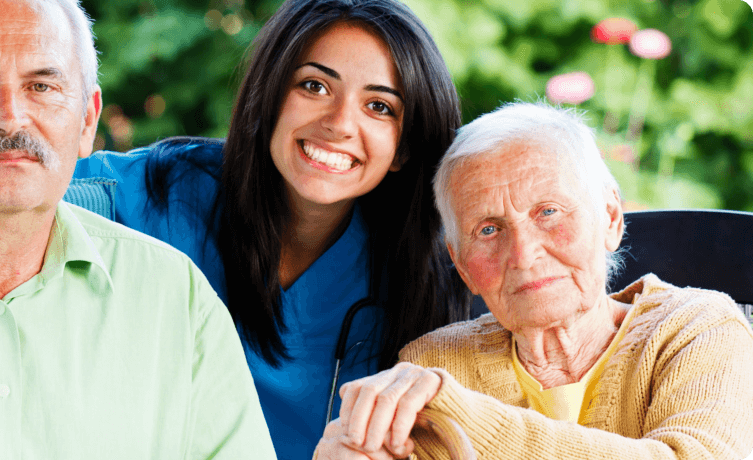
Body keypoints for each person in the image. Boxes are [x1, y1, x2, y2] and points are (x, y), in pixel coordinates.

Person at [0, 0, 473, 457]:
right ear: (272, 93)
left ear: (408, 142)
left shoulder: (428, 273)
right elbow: (7, 176)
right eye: (314, 86)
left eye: (380, 106)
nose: (338, 124)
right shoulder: (166, 195)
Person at [314, 102, 753, 460]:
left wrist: (462, 417)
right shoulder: (435, 363)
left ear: (610, 218)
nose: (523, 255)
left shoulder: (700, 329)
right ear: (463, 265)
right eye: (488, 230)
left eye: (548, 212)